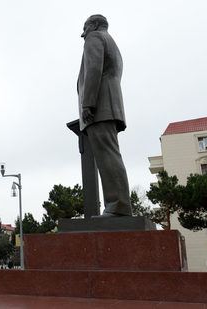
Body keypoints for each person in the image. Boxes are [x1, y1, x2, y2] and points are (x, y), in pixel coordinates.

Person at [77, 14, 132, 218]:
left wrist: (87, 103)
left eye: (85, 28)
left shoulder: (95, 37)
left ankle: (118, 206)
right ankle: (118, 205)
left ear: (94, 25)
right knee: (111, 155)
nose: (83, 34)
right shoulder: (111, 43)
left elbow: (93, 70)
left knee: (107, 157)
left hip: (100, 107)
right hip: (110, 106)